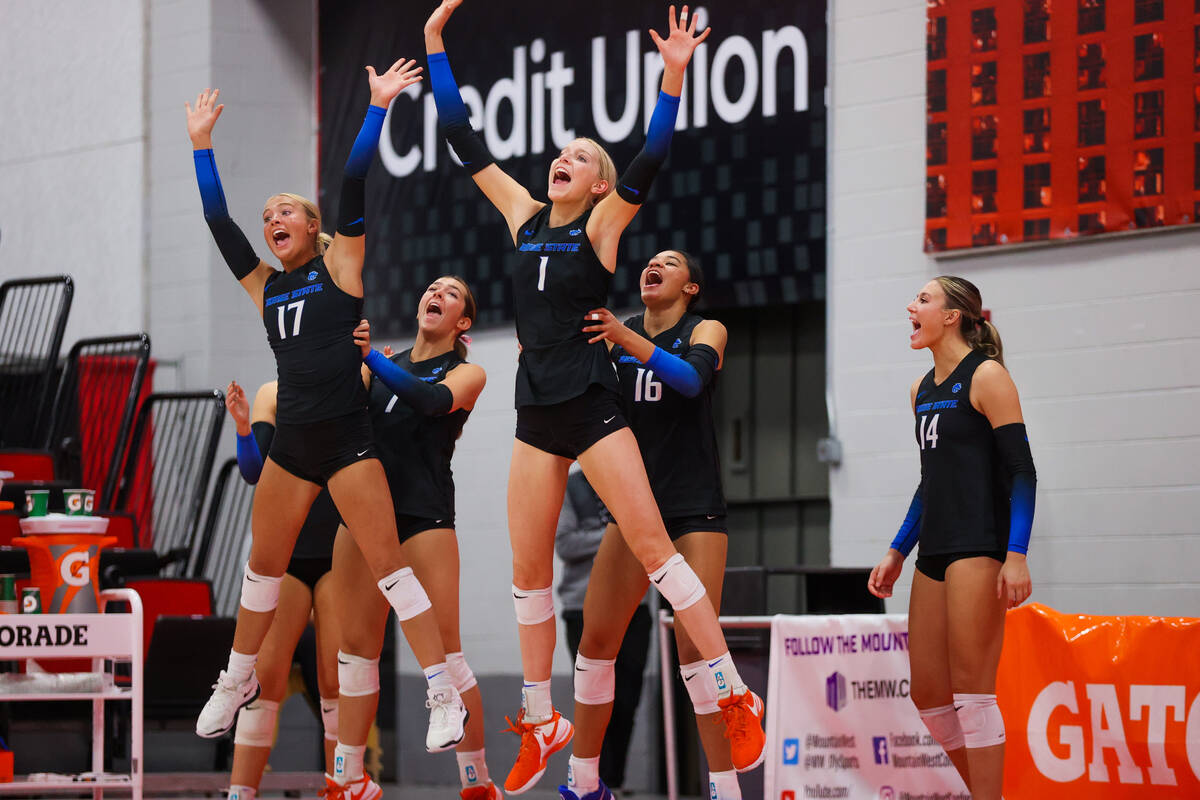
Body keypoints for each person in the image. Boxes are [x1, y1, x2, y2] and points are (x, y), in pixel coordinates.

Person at [424, 3, 765, 796]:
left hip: (591, 395)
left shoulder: (606, 226)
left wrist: (674, 74)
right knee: (525, 568)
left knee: (654, 549)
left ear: (601, 182)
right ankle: (542, 717)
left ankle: (732, 690)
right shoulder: (521, 214)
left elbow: (652, 153)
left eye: (579, 154)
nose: (562, 159)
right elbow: (464, 138)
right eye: (561, 153)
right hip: (536, 405)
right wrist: (436, 44)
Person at [185, 61, 468, 765]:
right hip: (294, 447)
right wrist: (200, 147)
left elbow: (350, 184)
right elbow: (220, 222)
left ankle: (442, 690)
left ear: (314, 229)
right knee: (261, 568)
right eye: (268, 216)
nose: (273, 220)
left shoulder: (340, 268)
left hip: (348, 442)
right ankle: (237, 676)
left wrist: (374, 107)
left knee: (389, 568)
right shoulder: (265, 287)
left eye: (286, 212)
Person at [569, 251, 742, 800]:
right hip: (636, 510)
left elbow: (691, 380)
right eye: (649, 261)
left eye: (669, 263)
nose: (654, 265)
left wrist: (625, 339)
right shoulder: (614, 336)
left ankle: (724, 787)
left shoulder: (704, 328)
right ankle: (586, 781)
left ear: (690, 287)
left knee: (693, 650)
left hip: (693, 508)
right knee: (596, 643)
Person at [330, 278, 500, 800]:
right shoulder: (378, 363)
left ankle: (477, 782)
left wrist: (373, 363)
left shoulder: (468, 372)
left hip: (424, 517)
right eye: (432, 288)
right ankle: (348, 780)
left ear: (462, 322)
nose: (436, 294)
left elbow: (430, 402)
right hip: (363, 520)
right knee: (356, 652)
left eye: (451, 294)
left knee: (446, 655)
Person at [867, 276, 1036, 800]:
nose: (910, 308)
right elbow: (930, 481)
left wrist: (1016, 555)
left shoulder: (987, 376)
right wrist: (898, 549)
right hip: (933, 551)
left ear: (952, 316)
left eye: (923, 299)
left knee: (972, 694)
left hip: (979, 546)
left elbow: (1023, 473)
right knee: (929, 696)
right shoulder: (920, 390)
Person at [222, 380, 341, 800]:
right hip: (287, 552)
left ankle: (342, 788)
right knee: (264, 677)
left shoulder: (355, 381)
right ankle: (240, 792)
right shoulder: (273, 392)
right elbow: (254, 471)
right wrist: (242, 428)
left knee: (335, 681)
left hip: (338, 550)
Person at [554, 470, 650, 796]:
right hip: (581, 605)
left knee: (628, 696)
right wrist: (619, 534)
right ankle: (593, 780)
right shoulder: (572, 485)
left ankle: (615, 780)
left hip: (633, 605)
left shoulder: (630, 478)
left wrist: (614, 534)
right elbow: (565, 543)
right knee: (593, 694)